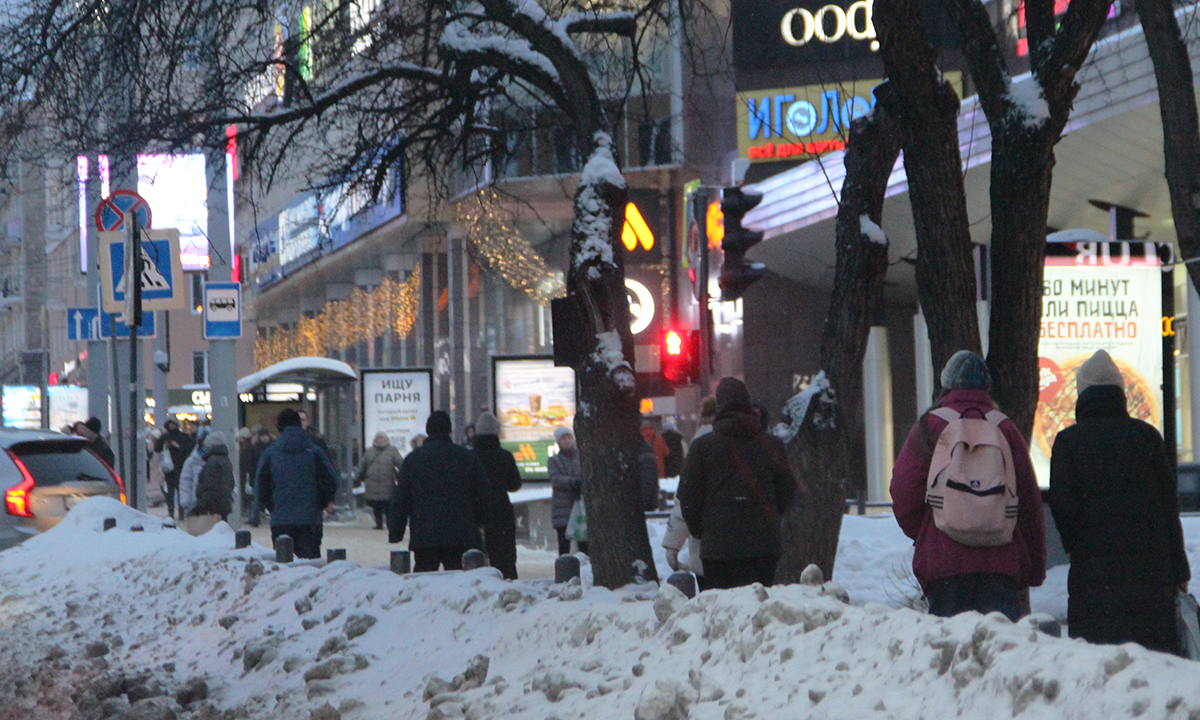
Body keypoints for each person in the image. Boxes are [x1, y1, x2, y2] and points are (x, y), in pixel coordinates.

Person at [1050, 349, 1191, 653]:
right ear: (1121, 394)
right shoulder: (1148, 438)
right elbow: (1169, 511)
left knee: (1100, 672)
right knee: (1151, 675)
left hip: (1094, 586)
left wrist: (1080, 545)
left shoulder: (1068, 443)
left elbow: (1064, 511)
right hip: (1150, 583)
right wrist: (1179, 571)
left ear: (1082, 395)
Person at [890, 350, 1046, 621]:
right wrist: (1033, 567)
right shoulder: (1005, 428)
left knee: (950, 653)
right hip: (999, 567)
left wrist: (929, 530)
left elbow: (904, 490)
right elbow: (1029, 502)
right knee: (998, 654)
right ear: (987, 387)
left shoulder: (932, 425)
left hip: (945, 565)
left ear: (947, 385)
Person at [677, 377, 797, 589]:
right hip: (764, 545)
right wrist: (768, 514)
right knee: (757, 607)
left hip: (718, 547)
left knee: (721, 611)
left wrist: (702, 529)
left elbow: (688, 496)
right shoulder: (772, 446)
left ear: (720, 406)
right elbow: (788, 489)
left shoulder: (702, 447)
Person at [388, 411, 490, 571]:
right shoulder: (466, 457)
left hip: (424, 535)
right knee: (459, 581)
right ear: (449, 430)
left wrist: (396, 531)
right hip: (459, 534)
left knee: (424, 580)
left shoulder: (413, 460)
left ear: (428, 431)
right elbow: (482, 494)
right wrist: (481, 522)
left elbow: (402, 499)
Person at [255, 408, 339, 559]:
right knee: (310, 566)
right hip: (310, 519)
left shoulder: (270, 453)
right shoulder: (314, 451)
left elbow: (261, 486)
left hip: (281, 520)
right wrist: (319, 504)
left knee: (285, 565)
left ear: (279, 427)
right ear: (300, 424)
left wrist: (273, 506)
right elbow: (330, 481)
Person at [472, 412, 522, 579]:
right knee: (504, 560)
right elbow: (515, 485)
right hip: (501, 512)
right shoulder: (505, 456)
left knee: (477, 561)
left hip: (475, 512)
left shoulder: (470, 457)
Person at [184, 431, 234, 536]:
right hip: (223, 505)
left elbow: (209, 486)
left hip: (212, 508)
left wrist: (201, 506)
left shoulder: (212, 462)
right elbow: (230, 483)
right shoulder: (225, 460)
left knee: (211, 536)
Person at [548, 425, 587, 556]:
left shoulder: (581, 457)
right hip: (562, 509)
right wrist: (573, 482)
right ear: (558, 442)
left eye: (569, 437)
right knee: (564, 546)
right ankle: (563, 571)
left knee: (584, 545)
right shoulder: (554, 460)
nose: (567, 441)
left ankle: (586, 571)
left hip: (580, 507)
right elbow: (555, 479)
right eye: (563, 438)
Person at [357, 431, 402, 530]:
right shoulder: (369, 451)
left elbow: (400, 463)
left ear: (386, 439)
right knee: (376, 505)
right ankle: (379, 523)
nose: (380, 439)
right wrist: (358, 475)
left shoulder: (392, 450)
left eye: (382, 437)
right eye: (378, 437)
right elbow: (362, 464)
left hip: (387, 483)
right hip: (372, 483)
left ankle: (389, 524)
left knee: (388, 506)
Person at [155, 419, 195, 520]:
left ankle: (181, 512)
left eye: (173, 424)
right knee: (170, 491)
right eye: (169, 424)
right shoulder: (165, 437)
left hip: (180, 467)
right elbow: (157, 448)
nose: (171, 426)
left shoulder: (183, 437)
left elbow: (189, 449)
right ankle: (171, 511)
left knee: (179, 490)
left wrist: (177, 446)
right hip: (169, 469)